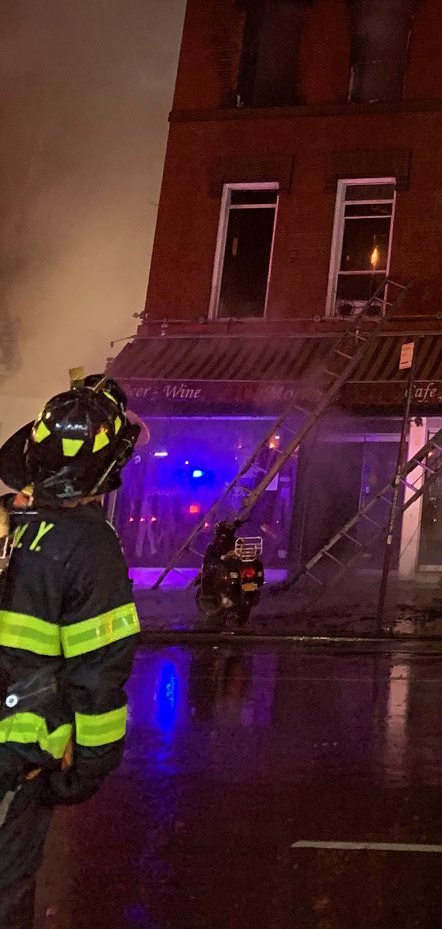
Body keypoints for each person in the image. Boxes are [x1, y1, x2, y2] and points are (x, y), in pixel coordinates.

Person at [0, 376, 143, 929]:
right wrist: (91, 766)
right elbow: (99, 674)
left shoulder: (5, 519)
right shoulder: (89, 545)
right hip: (16, 761)